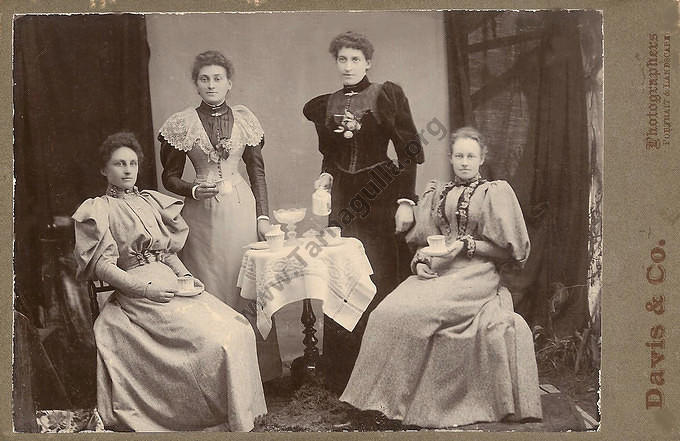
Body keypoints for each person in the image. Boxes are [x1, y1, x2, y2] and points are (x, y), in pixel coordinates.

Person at [340, 127, 543, 427]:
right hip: (439, 270)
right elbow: (428, 242)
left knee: (415, 314)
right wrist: (419, 261)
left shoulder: (495, 193)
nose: (464, 161)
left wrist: (466, 244)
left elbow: (509, 252)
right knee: (385, 312)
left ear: (482, 158)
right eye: (458, 155)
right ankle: (372, 405)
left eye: (470, 156)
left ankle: (391, 407)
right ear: (450, 158)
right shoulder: (440, 192)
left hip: (476, 274)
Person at [72, 132, 267, 431]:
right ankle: (206, 418)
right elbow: (104, 267)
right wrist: (147, 289)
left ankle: (240, 416)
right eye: (119, 164)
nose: (127, 170)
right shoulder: (99, 209)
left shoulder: (150, 201)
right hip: (137, 298)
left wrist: (186, 276)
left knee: (238, 329)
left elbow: (167, 253)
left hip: (173, 288)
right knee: (215, 343)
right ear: (104, 169)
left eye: (133, 163)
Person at [303, 31, 424, 392]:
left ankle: (384, 374)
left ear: (368, 62)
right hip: (342, 198)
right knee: (341, 275)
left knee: (380, 276)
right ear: (336, 63)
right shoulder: (329, 104)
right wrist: (325, 174)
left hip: (381, 192)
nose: (349, 66)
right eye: (342, 59)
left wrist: (406, 201)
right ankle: (343, 377)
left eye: (356, 59)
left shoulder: (386, 95)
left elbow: (410, 150)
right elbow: (330, 153)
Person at [158, 50, 281, 382]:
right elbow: (168, 177)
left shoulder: (244, 119)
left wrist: (263, 217)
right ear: (196, 85)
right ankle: (210, 375)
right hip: (200, 218)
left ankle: (257, 375)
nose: (211, 85)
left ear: (229, 83)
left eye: (217, 79)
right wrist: (193, 190)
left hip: (241, 211)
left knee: (243, 285)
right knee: (208, 287)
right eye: (204, 79)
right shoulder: (181, 123)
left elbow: (257, 173)